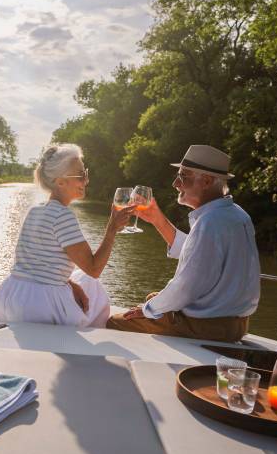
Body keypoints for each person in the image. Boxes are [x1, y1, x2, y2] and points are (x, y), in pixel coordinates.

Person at [107, 144, 260, 342]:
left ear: (206, 181)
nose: (175, 183)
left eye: (183, 176)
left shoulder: (210, 222)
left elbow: (186, 288)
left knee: (115, 323)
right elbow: (197, 254)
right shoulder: (237, 215)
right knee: (154, 298)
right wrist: (157, 219)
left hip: (206, 327)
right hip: (235, 324)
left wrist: (146, 311)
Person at [0, 143, 134, 327]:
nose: (86, 181)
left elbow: (37, 265)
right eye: (81, 176)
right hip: (39, 307)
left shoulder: (35, 210)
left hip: (10, 297)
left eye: (86, 173)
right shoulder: (62, 215)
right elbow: (94, 269)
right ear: (60, 182)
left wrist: (70, 284)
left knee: (86, 282)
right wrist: (112, 229)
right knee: (94, 288)